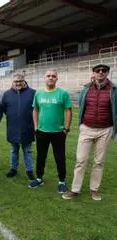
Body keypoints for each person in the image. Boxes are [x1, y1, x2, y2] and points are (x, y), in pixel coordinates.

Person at [63, 64, 117, 201]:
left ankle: (94, 189)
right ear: (93, 73)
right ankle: (75, 189)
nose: (100, 73)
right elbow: (81, 106)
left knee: (99, 162)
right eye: (97, 71)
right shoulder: (86, 89)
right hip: (86, 128)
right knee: (80, 160)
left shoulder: (114, 90)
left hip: (105, 130)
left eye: (103, 71)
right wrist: (81, 125)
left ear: (107, 73)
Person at [29, 69, 72, 193]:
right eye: (48, 76)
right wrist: (36, 127)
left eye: (53, 76)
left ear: (57, 79)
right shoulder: (38, 93)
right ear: (44, 78)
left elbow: (68, 110)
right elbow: (35, 109)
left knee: (60, 157)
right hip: (42, 131)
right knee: (41, 156)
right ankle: (39, 178)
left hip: (58, 132)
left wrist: (66, 128)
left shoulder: (63, 93)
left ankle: (62, 181)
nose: (51, 78)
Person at [2, 74, 35, 181]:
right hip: (12, 127)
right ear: (13, 82)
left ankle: (29, 171)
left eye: (20, 81)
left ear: (24, 81)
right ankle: (13, 169)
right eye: (16, 81)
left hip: (28, 127)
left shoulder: (32, 93)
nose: (18, 83)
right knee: (14, 150)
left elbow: (36, 110)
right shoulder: (7, 94)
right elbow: (4, 109)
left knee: (27, 151)